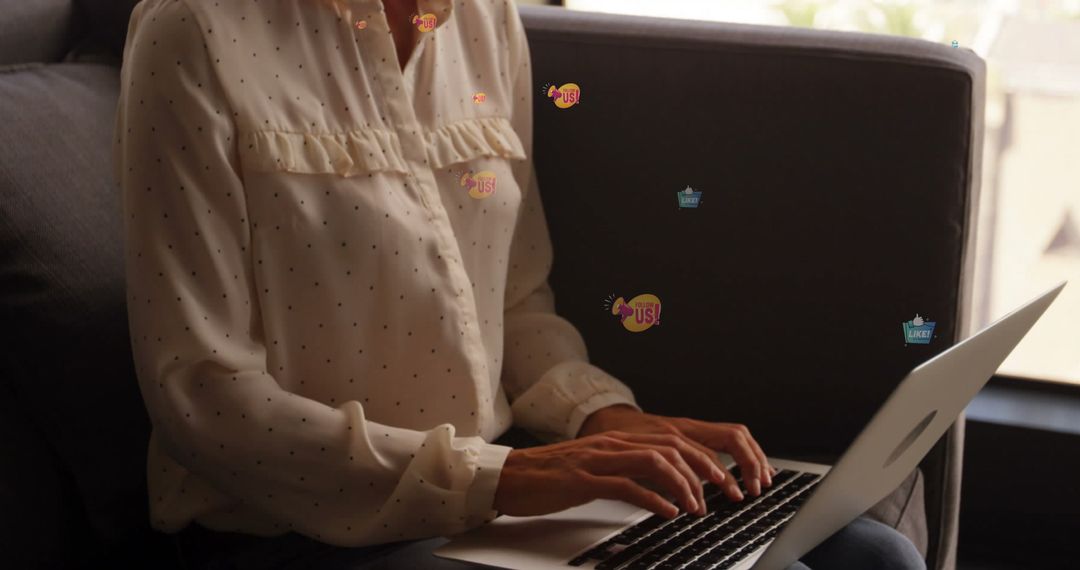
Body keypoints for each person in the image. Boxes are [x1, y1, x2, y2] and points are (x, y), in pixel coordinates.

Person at [113, 0, 925, 568]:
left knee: (876, 556)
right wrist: (513, 477)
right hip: (297, 534)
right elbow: (203, 397)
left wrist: (606, 420)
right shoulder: (194, 31)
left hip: (490, 494)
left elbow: (515, 300)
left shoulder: (484, 18)